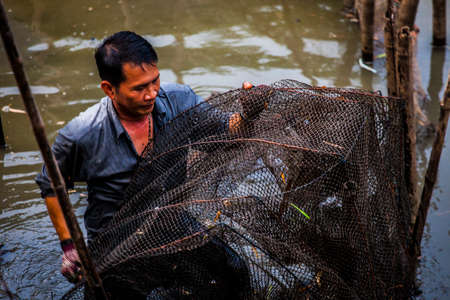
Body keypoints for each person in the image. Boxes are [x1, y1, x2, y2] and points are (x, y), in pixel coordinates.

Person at [35, 31, 260, 297]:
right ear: (110, 89)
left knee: (234, 270)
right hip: (117, 248)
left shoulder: (180, 101)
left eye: (155, 81)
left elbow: (225, 134)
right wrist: (69, 248)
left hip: (174, 226)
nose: (151, 93)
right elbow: (51, 185)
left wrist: (249, 112)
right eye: (139, 88)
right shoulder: (83, 135)